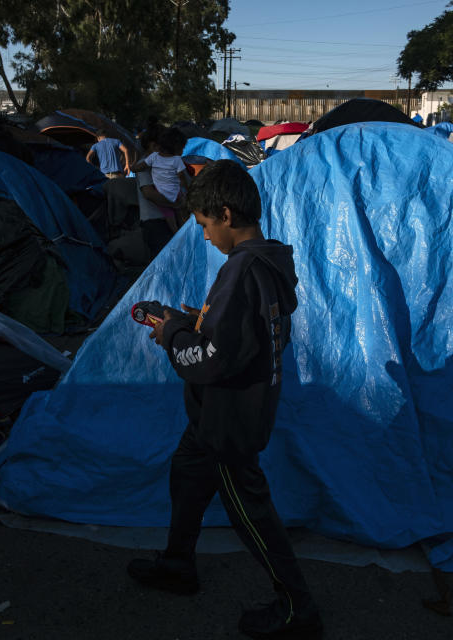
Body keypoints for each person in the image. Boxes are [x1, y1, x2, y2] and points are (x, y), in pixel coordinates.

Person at [127, 160, 322, 639]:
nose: (205, 236)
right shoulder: (268, 263)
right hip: (219, 414)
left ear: (227, 214)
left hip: (229, 420)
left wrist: (172, 332)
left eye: (204, 225)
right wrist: (197, 321)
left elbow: (207, 362)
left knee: (252, 514)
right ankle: (177, 563)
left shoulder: (241, 271)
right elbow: (244, 335)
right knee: (187, 473)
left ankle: (299, 609)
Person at [132, 127, 189, 236]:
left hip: (166, 217)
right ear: (154, 146)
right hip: (156, 220)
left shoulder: (171, 159)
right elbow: (149, 193)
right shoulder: (147, 163)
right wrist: (177, 204)